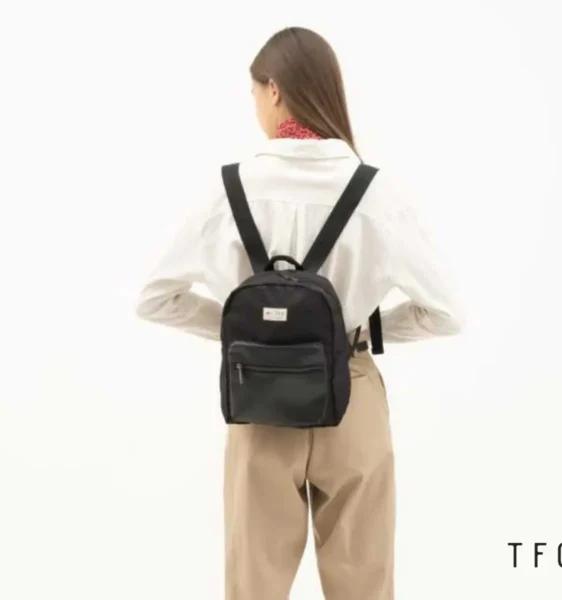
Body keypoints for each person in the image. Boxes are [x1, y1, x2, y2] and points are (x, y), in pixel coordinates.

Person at [135, 26, 465, 600]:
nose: (256, 109)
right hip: (351, 397)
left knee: (253, 589)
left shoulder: (228, 189)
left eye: (254, 94)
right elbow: (446, 313)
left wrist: (243, 332)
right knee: (365, 588)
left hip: (258, 398)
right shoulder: (376, 192)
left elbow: (154, 298)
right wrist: (357, 333)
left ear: (275, 91)